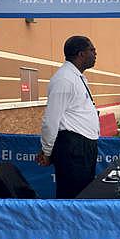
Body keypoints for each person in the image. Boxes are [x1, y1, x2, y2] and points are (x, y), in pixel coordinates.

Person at [37, 36, 99, 199]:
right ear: (81, 54)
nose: (95, 53)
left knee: (84, 194)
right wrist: (47, 151)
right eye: (92, 50)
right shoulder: (64, 79)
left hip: (84, 146)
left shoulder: (77, 77)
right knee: (72, 197)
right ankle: (68, 224)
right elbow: (51, 120)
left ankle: (80, 224)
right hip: (73, 148)